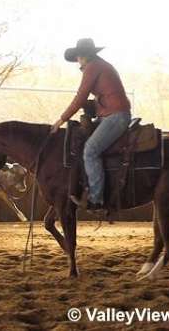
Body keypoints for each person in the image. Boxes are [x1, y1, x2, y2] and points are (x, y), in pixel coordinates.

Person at [50, 38, 131, 211]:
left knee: (90, 150)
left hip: (115, 116)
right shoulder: (101, 65)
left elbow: (80, 97)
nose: (78, 61)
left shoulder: (93, 67)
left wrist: (61, 119)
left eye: (78, 57)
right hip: (111, 115)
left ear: (84, 56)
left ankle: (96, 199)